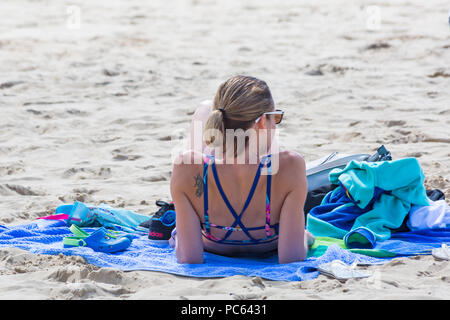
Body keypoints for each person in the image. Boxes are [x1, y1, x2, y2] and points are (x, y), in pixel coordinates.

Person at [170, 75, 314, 264]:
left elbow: (189, 258)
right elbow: (291, 258)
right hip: (266, 243)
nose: (275, 124)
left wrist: (178, 237)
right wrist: (305, 237)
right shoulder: (291, 165)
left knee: (204, 108)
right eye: (275, 118)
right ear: (262, 122)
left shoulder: (184, 166)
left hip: (215, 244)